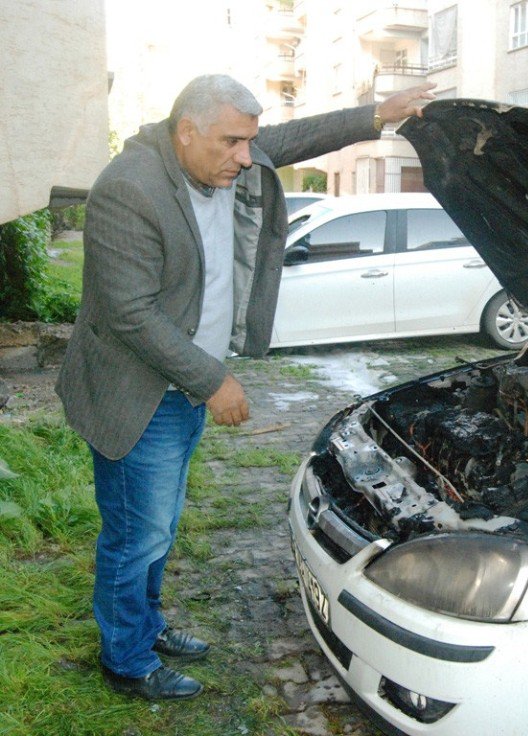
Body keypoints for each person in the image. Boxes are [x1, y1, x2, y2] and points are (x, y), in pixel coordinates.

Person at [56, 74, 435, 700]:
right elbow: (130, 313)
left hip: (180, 389)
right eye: (233, 143)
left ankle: (146, 625)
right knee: (136, 531)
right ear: (187, 133)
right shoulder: (129, 189)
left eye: (249, 142)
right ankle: (125, 658)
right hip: (139, 393)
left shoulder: (220, 154)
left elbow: (295, 136)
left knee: (161, 522)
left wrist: (379, 115)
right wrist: (214, 381)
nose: (247, 157)